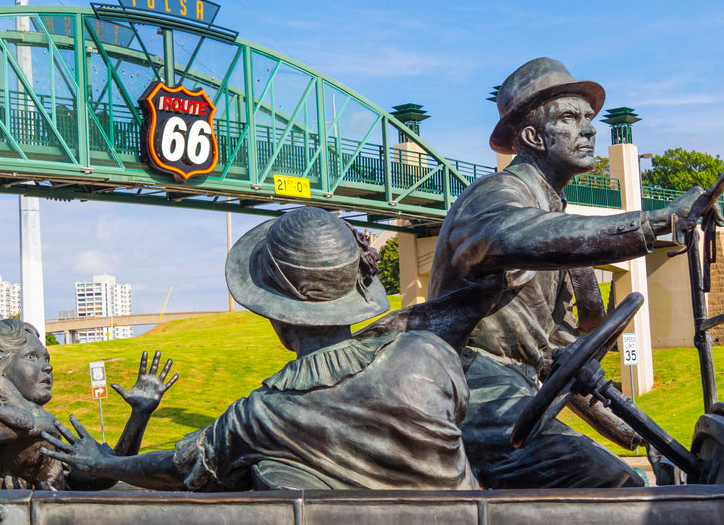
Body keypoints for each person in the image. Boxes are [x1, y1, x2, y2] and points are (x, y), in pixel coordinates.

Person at [42, 207, 477, 492]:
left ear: (280, 317)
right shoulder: (430, 355)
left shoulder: (263, 415)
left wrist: (103, 462)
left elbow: (177, 467)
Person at [429, 57, 709, 489]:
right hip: (471, 390)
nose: (590, 129)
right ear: (531, 136)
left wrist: (640, 434)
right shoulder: (497, 197)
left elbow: (560, 362)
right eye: (569, 118)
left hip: (514, 391)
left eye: (589, 118)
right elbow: (517, 234)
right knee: (615, 486)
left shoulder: (550, 211)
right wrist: (656, 222)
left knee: (630, 479)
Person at [0, 314, 177, 490]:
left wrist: (139, 416)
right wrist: (43, 423)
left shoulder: (38, 416)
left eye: (46, 358)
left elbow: (103, 472)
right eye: (32, 357)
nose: (47, 367)